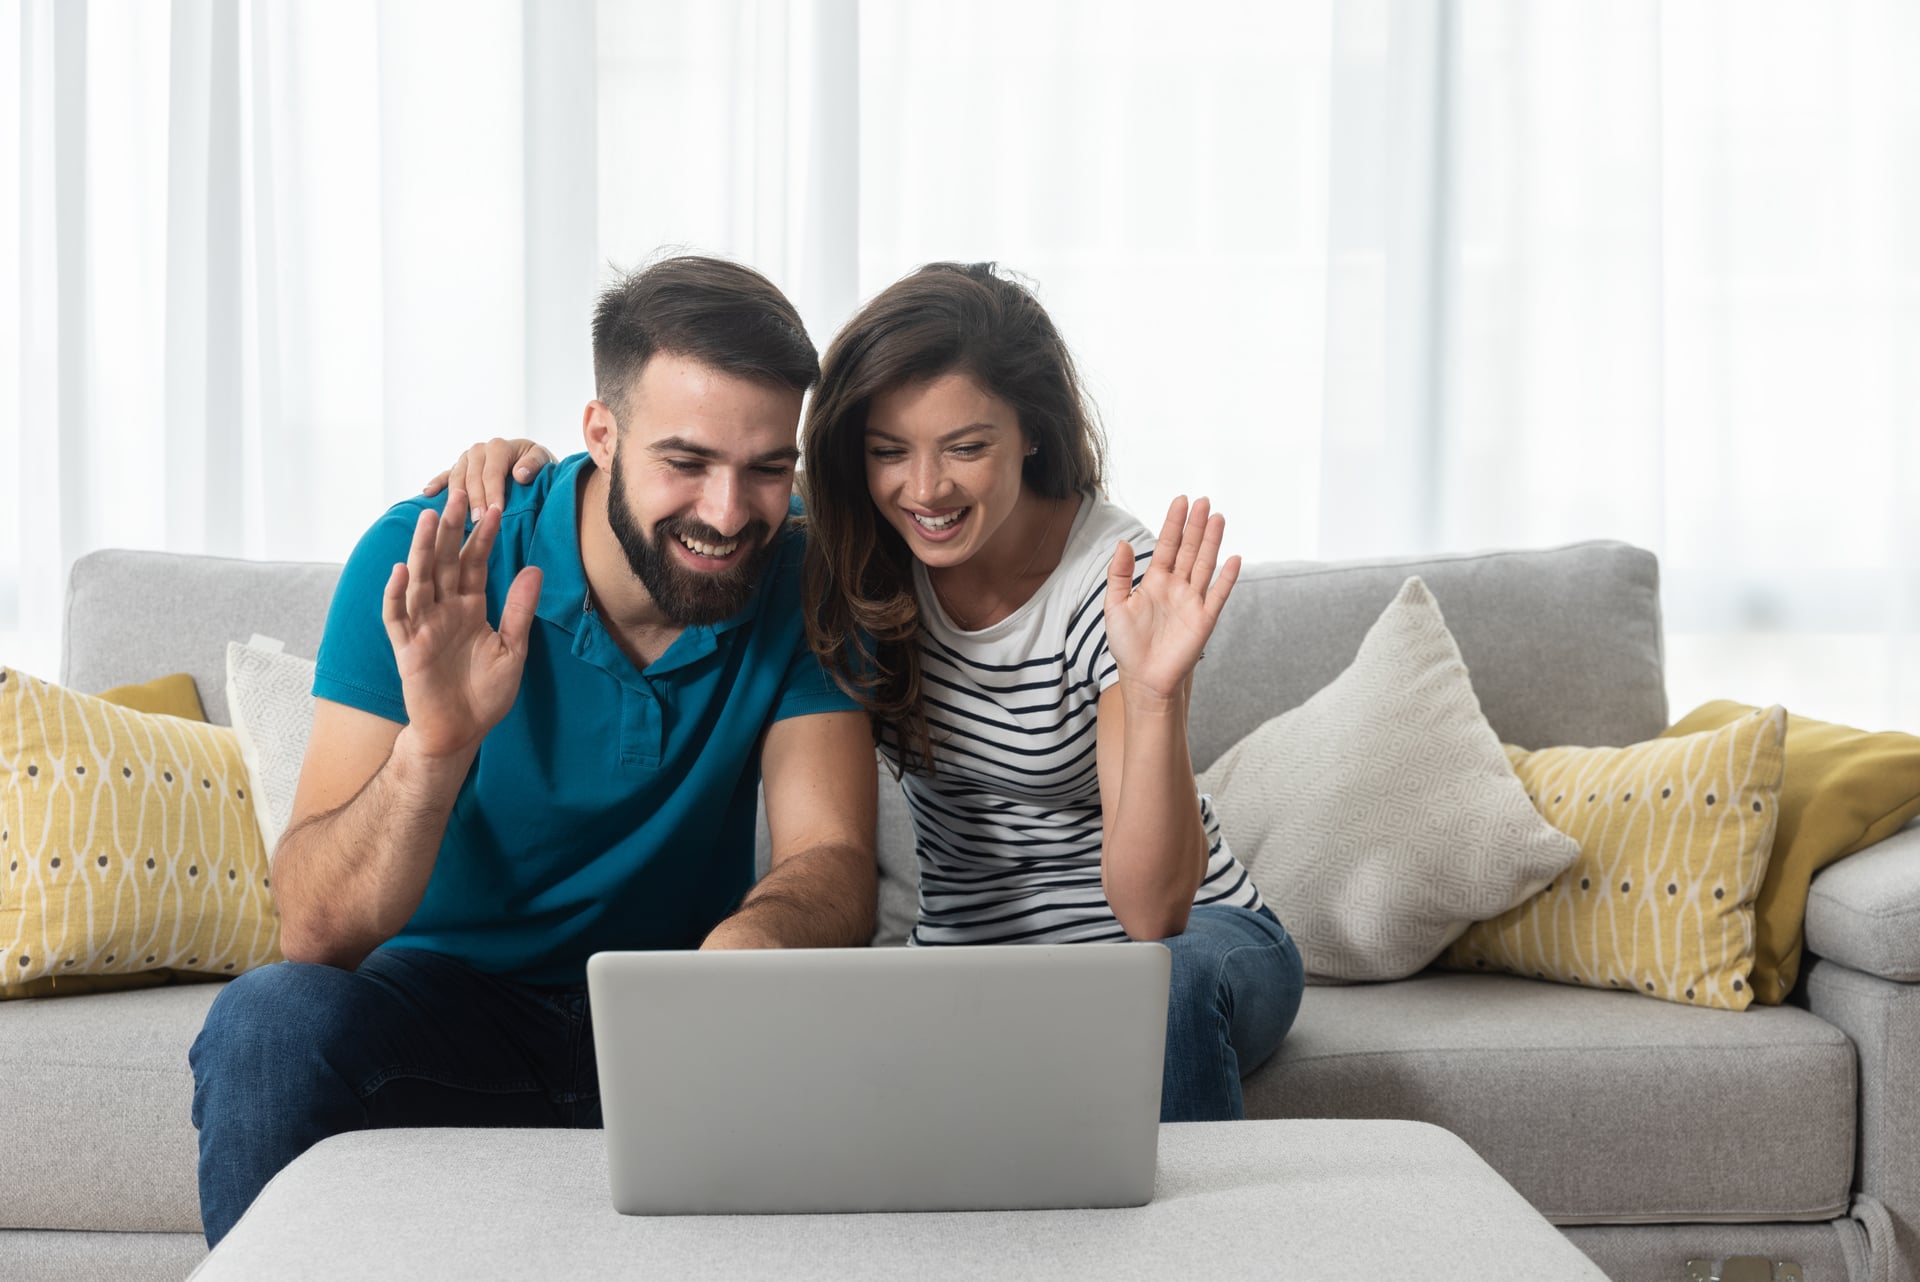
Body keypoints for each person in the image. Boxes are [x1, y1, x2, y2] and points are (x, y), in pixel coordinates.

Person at [454, 262, 1304, 1123]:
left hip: (1183, 948)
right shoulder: (859, 557)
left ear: (1032, 433)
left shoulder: (1114, 586)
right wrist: (524, 468)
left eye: (966, 447)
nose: (926, 489)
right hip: (970, 966)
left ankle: (1186, 1218)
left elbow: (1154, 914)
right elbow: (694, 481)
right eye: (890, 452)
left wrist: (1153, 697)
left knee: (1165, 991)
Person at [187, 257, 879, 1247]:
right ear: (601, 434)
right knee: (269, 1023)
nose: (730, 513)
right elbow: (316, 930)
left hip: (675, 1017)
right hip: (443, 1017)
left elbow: (833, 858)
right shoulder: (432, 554)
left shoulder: (803, 574)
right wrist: (435, 749)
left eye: (768, 467)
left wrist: (745, 953)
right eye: (686, 461)